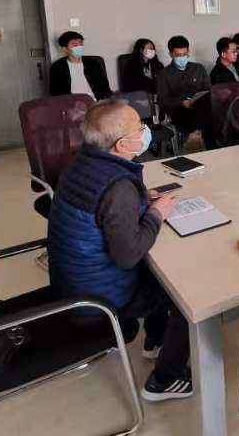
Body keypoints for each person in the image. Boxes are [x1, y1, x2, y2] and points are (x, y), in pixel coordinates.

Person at [46, 100, 191, 401]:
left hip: (72, 282)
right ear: (123, 144)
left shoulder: (83, 162)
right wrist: (156, 214)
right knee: (185, 293)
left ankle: (156, 340)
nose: (146, 131)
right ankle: (164, 380)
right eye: (140, 127)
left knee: (158, 278)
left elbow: (104, 210)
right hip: (97, 299)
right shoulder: (119, 188)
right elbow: (128, 256)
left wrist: (139, 199)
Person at [155, 35, 216, 149]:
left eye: (185, 54)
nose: (182, 57)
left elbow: (208, 89)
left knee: (211, 108)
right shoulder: (163, 74)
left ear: (188, 52)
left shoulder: (198, 68)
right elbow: (162, 101)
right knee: (207, 118)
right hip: (179, 111)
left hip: (201, 106)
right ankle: (207, 145)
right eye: (178, 55)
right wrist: (182, 103)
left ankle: (202, 142)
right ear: (171, 54)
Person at [49, 31, 112, 100]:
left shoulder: (93, 63)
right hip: (73, 103)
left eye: (81, 43)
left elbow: (105, 88)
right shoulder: (57, 67)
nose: (79, 47)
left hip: (97, 102)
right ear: (65, 49)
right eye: (75, 45)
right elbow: (56, 93)